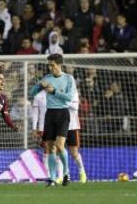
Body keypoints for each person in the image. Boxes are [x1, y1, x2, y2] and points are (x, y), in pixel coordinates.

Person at [30, 54, 76, 186]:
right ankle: (52, 178)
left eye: (53, 65)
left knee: (60, 146)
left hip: (63, 113)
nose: (50, 68)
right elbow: (32, 93)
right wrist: (39, 85)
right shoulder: (47, 78)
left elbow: (69, 98)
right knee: (50, 148)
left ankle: (66, 173)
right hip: (49, 114)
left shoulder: (68, 79)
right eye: (49, 65)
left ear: (59, 65)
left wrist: (54, 91)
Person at [32, 89, 87, 184]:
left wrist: (62, 102)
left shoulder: (73, 91)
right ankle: (60, 176)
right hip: (59, 125)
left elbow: (75, 107)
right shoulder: (54, 93)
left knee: (74, 153)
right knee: (58, 149)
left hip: (72, 126)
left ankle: (82, 171)